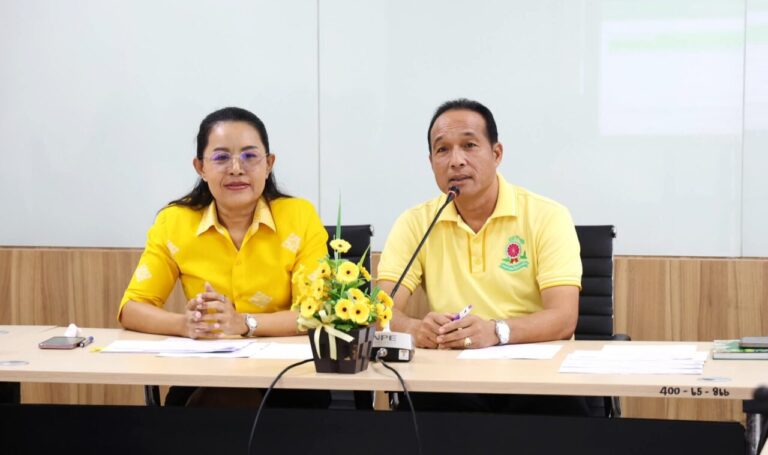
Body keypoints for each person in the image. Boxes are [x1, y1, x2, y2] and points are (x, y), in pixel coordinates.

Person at [377, 98, 591, 415]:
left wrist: (496, 332)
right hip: (452, 378)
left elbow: (563, 317)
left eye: (469, 145)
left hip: (536, 377)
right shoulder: (416, 223)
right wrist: (414, 328)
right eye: (443, 150)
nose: (456, 161)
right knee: (421, 412)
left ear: (496, 154)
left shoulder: (547, 216)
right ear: (431, 162)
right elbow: (381, 309)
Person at [119, 106, 329, 407]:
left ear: (269, 164)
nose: (236, 168)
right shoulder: (174, 223)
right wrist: (186, 324)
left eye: (250, 156)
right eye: (221, 158)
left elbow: (317, 313)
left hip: (288, 378)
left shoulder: (299, 217)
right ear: (200, 167)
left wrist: (244, 323)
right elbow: (132, 308)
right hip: (204, 371)